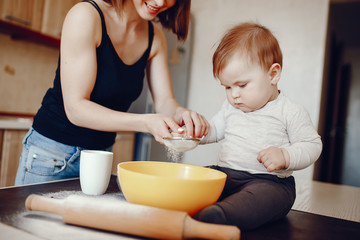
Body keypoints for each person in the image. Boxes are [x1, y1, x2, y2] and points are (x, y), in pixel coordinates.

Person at [15, 0, 209, 185]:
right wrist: (145, 122)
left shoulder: (155, 38)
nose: (159, 2)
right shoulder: (86, 16)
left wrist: (182, 113)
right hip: (52, 155)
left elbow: (166, 101)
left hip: (100, 155)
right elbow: (76, 109)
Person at [192, 22, 322, 231]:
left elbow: (312, 145)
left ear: (273, 75)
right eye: (227, 87)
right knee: (198, 178)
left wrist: (285, 155)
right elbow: (214, 130)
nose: (234, 94)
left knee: (264, 199)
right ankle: (180, 201)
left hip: (269, 183)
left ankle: (220, 216)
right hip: (225, 176)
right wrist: (196, 132)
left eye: (242, 85)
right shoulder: (230, 107)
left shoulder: (290, 110)